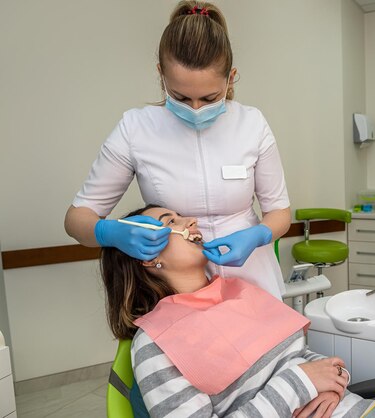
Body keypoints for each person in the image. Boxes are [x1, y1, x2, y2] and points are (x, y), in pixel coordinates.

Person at [65, 1, 290, 299]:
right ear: (161, 74)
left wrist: (259, 234)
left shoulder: (252, 124)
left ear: (231, 78)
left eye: (209, 98)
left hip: (252, 278)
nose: (196, 109)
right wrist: (109, 232)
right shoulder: (136, 128)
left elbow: (279, 212)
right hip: (178, 292)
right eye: (181, 97)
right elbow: (76, 219)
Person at [102, 204, 372, 417]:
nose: (191, 222)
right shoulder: (155, 343)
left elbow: (300, 357)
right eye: (171, 221)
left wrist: (336, 381)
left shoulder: (240, 291)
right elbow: (302, 375)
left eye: (182, 216)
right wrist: (302, 382)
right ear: (148, 257)